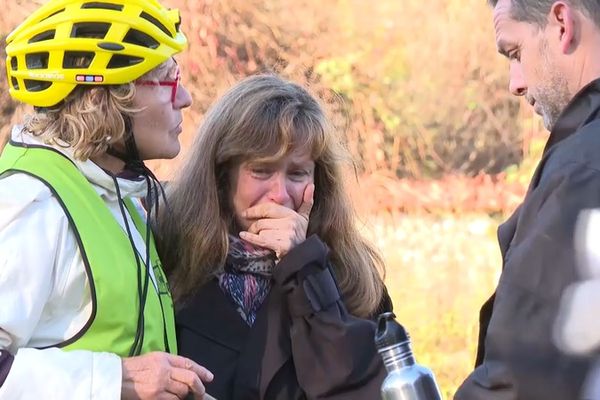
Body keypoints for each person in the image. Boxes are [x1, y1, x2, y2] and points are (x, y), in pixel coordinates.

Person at [0, 0, 213, 398]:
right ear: (108, 96)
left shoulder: (115, 195)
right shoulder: (32, 203)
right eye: (169, 79)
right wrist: (116, 380)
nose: (184, 97)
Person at [154, 74, 393, 400]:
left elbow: (368, 390)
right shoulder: (168, 259)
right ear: (223, 176)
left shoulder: (352, 277)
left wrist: (305, 270)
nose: (280, 195)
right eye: (261, 171)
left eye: (297, 173)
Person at [455, 0, 600, 399]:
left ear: (560, 22)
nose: (514, 83)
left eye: (515, 53)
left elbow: (524, 378)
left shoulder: (583, 171)